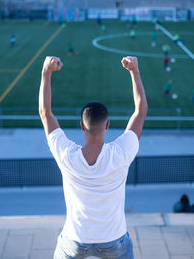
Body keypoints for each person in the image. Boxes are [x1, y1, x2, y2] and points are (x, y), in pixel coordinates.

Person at [39, 55, 148, 259]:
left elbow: (45, 114)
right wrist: (135, 71)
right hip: (114, 240)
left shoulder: (66, 155)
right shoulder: (121, 153)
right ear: (107, 125)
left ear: (81, 126)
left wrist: (46, 72)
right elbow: (140, 112)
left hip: (74, 241)